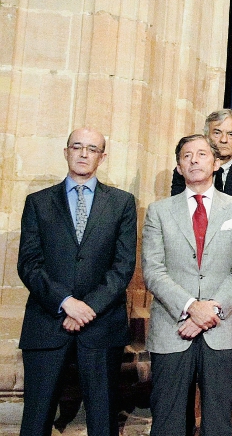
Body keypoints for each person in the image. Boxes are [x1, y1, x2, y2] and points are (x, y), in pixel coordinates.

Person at [17, 127, 137, 436]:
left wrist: (87, 308)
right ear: (67, 151)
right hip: (47, 323)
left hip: (101, 326)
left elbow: (123, 266)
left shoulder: (122, 203)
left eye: (92, 149)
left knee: (102, 420)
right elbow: (29, 264)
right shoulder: (38, 202)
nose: (83, 153)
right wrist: (66, 303)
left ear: (102, 156)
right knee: (36, 419)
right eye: (77, 147)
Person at [142, 134, 232, 436]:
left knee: (218, 420)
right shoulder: (159, 211)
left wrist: (211, 310)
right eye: (186, 155)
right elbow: (153, 270)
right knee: (168, 418)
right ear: (178, 167)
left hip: (222, 327)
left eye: (202, 154)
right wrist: (192, 308)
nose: (194, 160)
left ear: (217, 163)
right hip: (172, 326)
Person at [172, 109, 232, 198]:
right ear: (206, 136)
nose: (223, 140)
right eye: (217, 133)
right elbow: (180, 205)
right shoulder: (189, 169)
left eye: (231, 134)